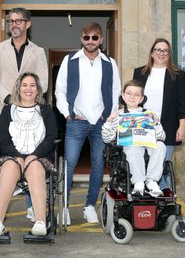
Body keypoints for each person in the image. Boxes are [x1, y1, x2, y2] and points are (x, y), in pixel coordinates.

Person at [55, 22, 121, 224]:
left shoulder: (110, 62)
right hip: (77, 122)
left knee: (99, 163)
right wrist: (68, 114)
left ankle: (90, 205)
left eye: (95, 37)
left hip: (102, 122)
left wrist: (109, 116)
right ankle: (64, 207)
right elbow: (60, 91)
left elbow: (116, 91)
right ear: (81, 38)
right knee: (70, 162)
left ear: (101, 39)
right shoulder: (70, 61)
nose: (90, 41)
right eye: (86, 37)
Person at [0, 7, 48, 220]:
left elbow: (44, 83)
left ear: (27, 24)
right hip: (2, 110)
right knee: (4, 155)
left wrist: (26, 101)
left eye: (19, 21)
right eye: (11, 21)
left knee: (31, 155)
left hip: (31, 113)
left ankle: (32, 206)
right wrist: (10, 99)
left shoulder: (38, 52)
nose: (14, 24)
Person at [0, 72, 57, 236]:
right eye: (25, 85)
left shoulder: (45, 110)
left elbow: (51, 137)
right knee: (10, 166)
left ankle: (40, 221)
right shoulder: (8, 110)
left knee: (34, 167)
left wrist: (35, 155)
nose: (28, 89)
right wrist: (17, 155)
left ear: (38, 89)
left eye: (32, 85)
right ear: (18, 88)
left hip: (39, 157)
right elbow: (2, 139)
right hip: (12, 156)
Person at [133, 38, 185, 188]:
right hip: (142, 126)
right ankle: (145, 205)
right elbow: (132, 99)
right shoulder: (139, 73)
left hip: (168, 127)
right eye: (158, 50)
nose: (161, 53)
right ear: (152, 53)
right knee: (141, 166)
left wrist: (182, 126)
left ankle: (165, 203)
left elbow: (183, 103)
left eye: (165, 51)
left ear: (169, 54)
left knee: (163, 166)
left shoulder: (178, 75)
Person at [102, 80, 166, 197]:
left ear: (142, 99)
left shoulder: (149, 114)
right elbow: (107, 139)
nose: (132, 97)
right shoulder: (118, 115)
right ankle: (138, 182)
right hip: (129, 147)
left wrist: (156, 123)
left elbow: (162, 137)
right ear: (123, 95)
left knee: (161, 145)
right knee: (133, 146)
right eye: (129, 93)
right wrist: (109, 121)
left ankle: (151, 181)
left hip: (148, 145)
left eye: (137, 94)